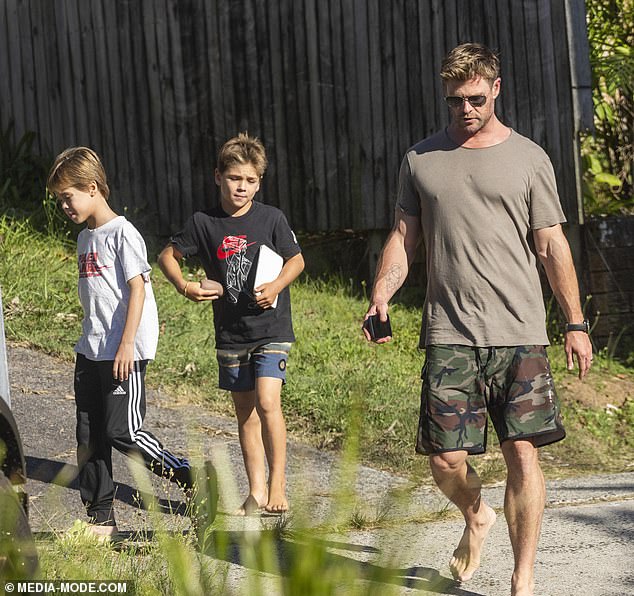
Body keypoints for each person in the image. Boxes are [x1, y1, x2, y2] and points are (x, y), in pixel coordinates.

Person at [363, 43, 593, 596]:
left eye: (474, 97)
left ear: (496, 88)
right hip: (450, 332)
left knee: (522, 451)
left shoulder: (530, 158)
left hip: (519, 332)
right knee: (444, 460)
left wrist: (575, 322)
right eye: (454, 100)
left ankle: (523, 577)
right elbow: (403, 238)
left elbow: (551, 245)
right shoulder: (421, 159)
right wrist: (380, 295)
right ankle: (477, 514)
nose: (464, 109)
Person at [47, 147, 204, 538]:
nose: (65, 206)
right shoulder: (86, 238)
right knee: (90, 435)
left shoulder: (123, 233)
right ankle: (101, 520)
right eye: (59, 199)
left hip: (123, 352)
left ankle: (190, 476)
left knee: (123, 432)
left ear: (93, 187)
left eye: (68, 197)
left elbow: (138, 290)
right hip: (90, 350)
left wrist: (126, 345)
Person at [158, 132, 304, 515]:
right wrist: (185, 286)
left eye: (251, 180)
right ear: (217, 176)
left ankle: (277, 484)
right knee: (246, 413)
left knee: (269, 402)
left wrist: (275, 287)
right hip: (230, 334)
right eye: (235, 178)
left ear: (260, 182)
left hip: (271, 329)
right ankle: (255, 492)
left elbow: (297, 261)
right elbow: (167, 256)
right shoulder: (203, 222)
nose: (242, 187)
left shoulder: (271, 218)